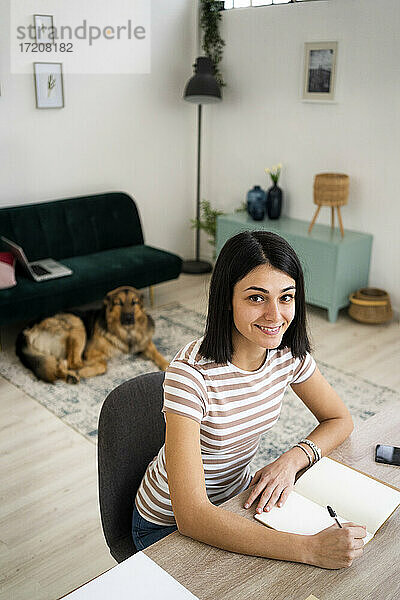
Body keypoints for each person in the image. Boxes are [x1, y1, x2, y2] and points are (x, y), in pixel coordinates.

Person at [132, 230, 366, 569]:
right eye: (257, 298)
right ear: (227, 299)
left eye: (286, 297)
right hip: (165, 526)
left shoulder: (286, 353)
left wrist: (291, 460)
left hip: (234, 500)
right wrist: (310, 549)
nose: (275, 316)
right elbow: (192, 517)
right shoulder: (190, 374)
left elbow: (340, 420)